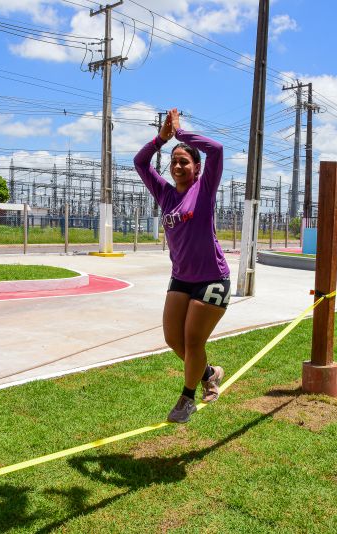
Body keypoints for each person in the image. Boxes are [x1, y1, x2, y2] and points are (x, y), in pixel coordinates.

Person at [133, 108, 231, 423]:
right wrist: (160, 138)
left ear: (196, 168)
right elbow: (139, 162)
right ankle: (209, 373)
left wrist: (180, 133)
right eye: (174, 161)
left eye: (184, 161)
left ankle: (188, 398)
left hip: (212, 279)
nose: (177, 166)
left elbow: (216, 149)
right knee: (173, 339)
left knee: (192, 340)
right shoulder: (164, 193)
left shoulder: (204, 189)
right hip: (181, 278)